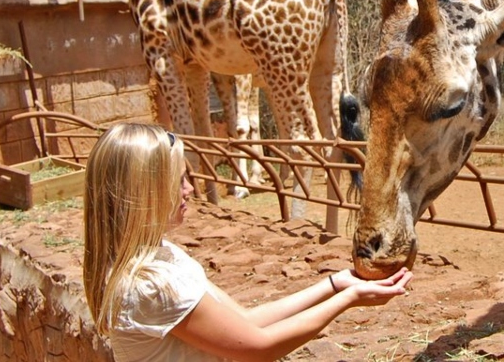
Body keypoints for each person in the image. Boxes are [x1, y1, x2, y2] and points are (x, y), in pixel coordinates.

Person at [83, 123, 412, 362]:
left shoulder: (160, 256)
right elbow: (258, 346)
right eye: (178, 180)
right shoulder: (151, 284)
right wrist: (349, 299)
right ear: (147, 192)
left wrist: (335, 284)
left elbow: (244, 321)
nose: (188, 190)